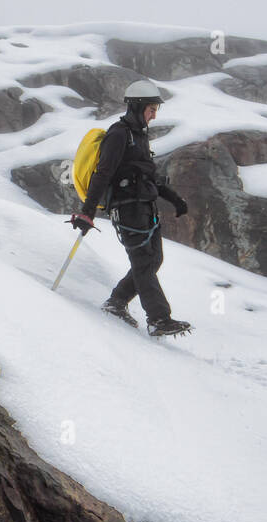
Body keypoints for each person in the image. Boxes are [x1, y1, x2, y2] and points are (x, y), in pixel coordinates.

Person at [70, 80, 192, 337]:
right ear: (137, 107)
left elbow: (149, 176)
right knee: (144, 262)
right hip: (127, 210)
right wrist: (87, 212)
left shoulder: (139, 137)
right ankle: (159, 318)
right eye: (151, 109)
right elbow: (102, 174)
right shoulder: (118, 135)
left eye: (155, 109)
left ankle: (116, 302)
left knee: (153, 260)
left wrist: (175, 200)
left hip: (145, 208)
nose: (154, 114)